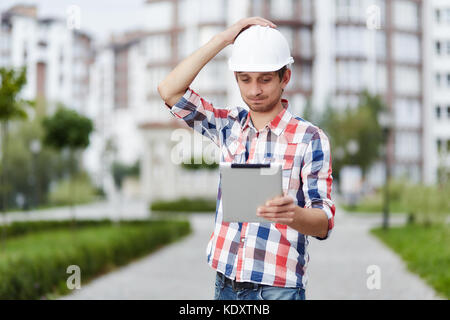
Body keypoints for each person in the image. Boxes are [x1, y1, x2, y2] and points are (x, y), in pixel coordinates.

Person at [158, 17, 335, 300]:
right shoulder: (228, 126)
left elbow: (324, 221)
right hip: (225, 284)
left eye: (265, 79)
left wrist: (295, 215)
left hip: (279, 290)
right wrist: (222, 40)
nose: (254, 90)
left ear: (284, 77)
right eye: (245, 79)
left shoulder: (310, 138)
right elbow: (170, 91)